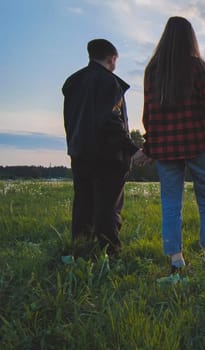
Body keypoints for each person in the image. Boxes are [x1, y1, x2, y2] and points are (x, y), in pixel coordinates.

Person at [142, 17, 205, 280]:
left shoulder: (152, 70)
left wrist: (149, 147)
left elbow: (148, 115)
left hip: (164, 147)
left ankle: (176, 260)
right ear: (190, 38)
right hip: (196, 143)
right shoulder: (197, 67)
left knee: (170, 203)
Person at [62, 39, 147, 259]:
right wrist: (132, 149)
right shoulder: (110, 83)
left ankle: (81, 250)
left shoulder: (72, 82)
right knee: (108, 207)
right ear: (112, 59)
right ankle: (110, 254)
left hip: (79, 152)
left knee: (83, 204)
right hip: (109, 157)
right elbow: (111, 121)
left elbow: (69, 121)